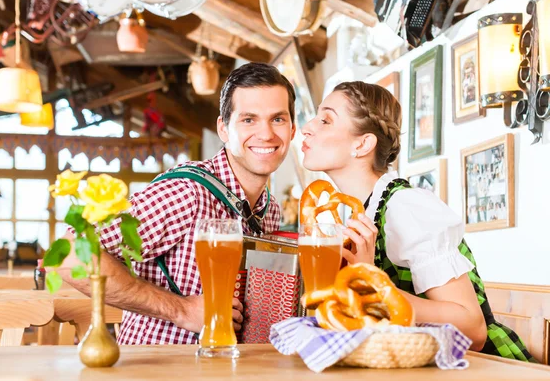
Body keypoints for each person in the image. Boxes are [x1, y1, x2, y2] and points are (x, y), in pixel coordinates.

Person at [57, 62, 296, 345]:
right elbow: (68, 254)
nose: (266, 134)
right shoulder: (187, 192)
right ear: (224, 129)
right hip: (154, 369)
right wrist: (181, 310)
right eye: (248, 120)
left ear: (293, 128)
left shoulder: (269, 209)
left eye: (278, 119)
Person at [300, 81, 533, 362]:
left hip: (481, 368)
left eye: (325, 120)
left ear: (362, 144)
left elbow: (473, 329)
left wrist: (375, 283)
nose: (307, 127)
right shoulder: (356, 213)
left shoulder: (405, 207)